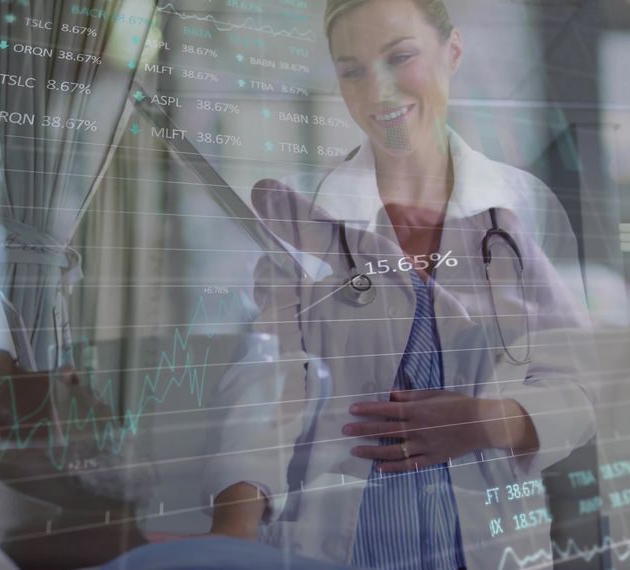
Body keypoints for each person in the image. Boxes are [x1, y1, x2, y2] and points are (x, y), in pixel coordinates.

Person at [200, 0, 596, 568]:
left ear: (452, 51)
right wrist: (229, 539)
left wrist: (488, 420)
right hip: (340, 542)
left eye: (400, 57)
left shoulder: (521, 206)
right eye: (352, 69)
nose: (378, 89)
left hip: (490, 543)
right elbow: (264, 382)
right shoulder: (306, 215)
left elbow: (583, 382)